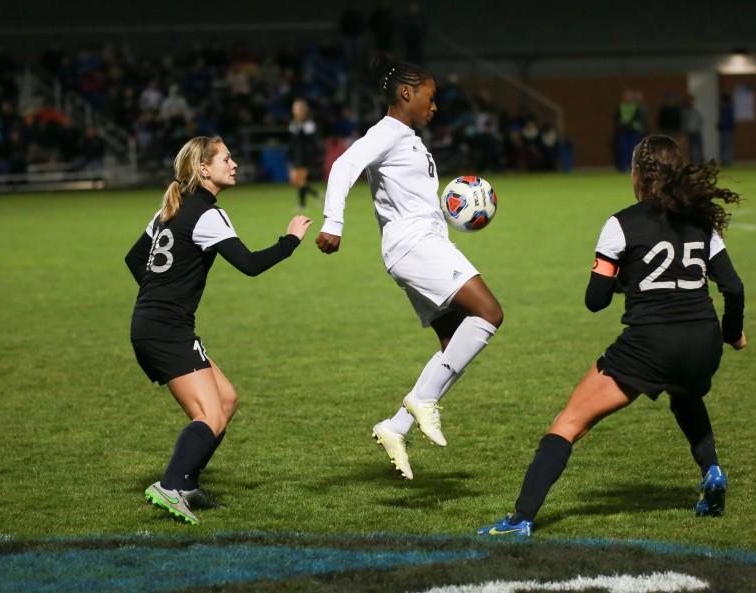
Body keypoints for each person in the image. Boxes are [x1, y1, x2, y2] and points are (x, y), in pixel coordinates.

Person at [478, 135, 746, 537]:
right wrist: (732, 333)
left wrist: (626, 279)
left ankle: (520, 519)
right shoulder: (702, 222)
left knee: (568, 422)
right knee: (685, 393)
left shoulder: (621, 224)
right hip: (703, 341)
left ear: (637, 173)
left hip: (651, 345)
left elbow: (595, 300)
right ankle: (712, 472)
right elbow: (734, 287)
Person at [315, 58, 504, 480]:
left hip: (420, 246)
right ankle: (422, 403)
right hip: (416, 247)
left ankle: (395, 426)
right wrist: (333, 222)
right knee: (489, 314)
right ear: (406, 94)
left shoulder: (409, 139)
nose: (434, 106)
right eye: (429, 97)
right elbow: (344, 166)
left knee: (455, 341)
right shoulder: (387, 132)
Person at [125, 136, 311, 525]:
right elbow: (250, 265)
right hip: (166, 328)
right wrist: (291, 239)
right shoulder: (207, 214)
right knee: (209, 414)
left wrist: (160, 293)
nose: (235, 164)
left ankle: (188, 484)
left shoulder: (168, 212)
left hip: (155, 324)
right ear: (204, 169)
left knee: (225, 401)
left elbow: (134, 259)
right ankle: (171, 485)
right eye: (227, 158)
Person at [288, 98, 321, 211]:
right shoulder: (293, 123)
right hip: (296, 154)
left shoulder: (309, 123)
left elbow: (311, 141)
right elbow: (292, 141)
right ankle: (316, 194)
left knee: (300, 180)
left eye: (296, 108)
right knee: (296, 181)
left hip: (305, 155)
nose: (293, 110)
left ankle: (302, 205)